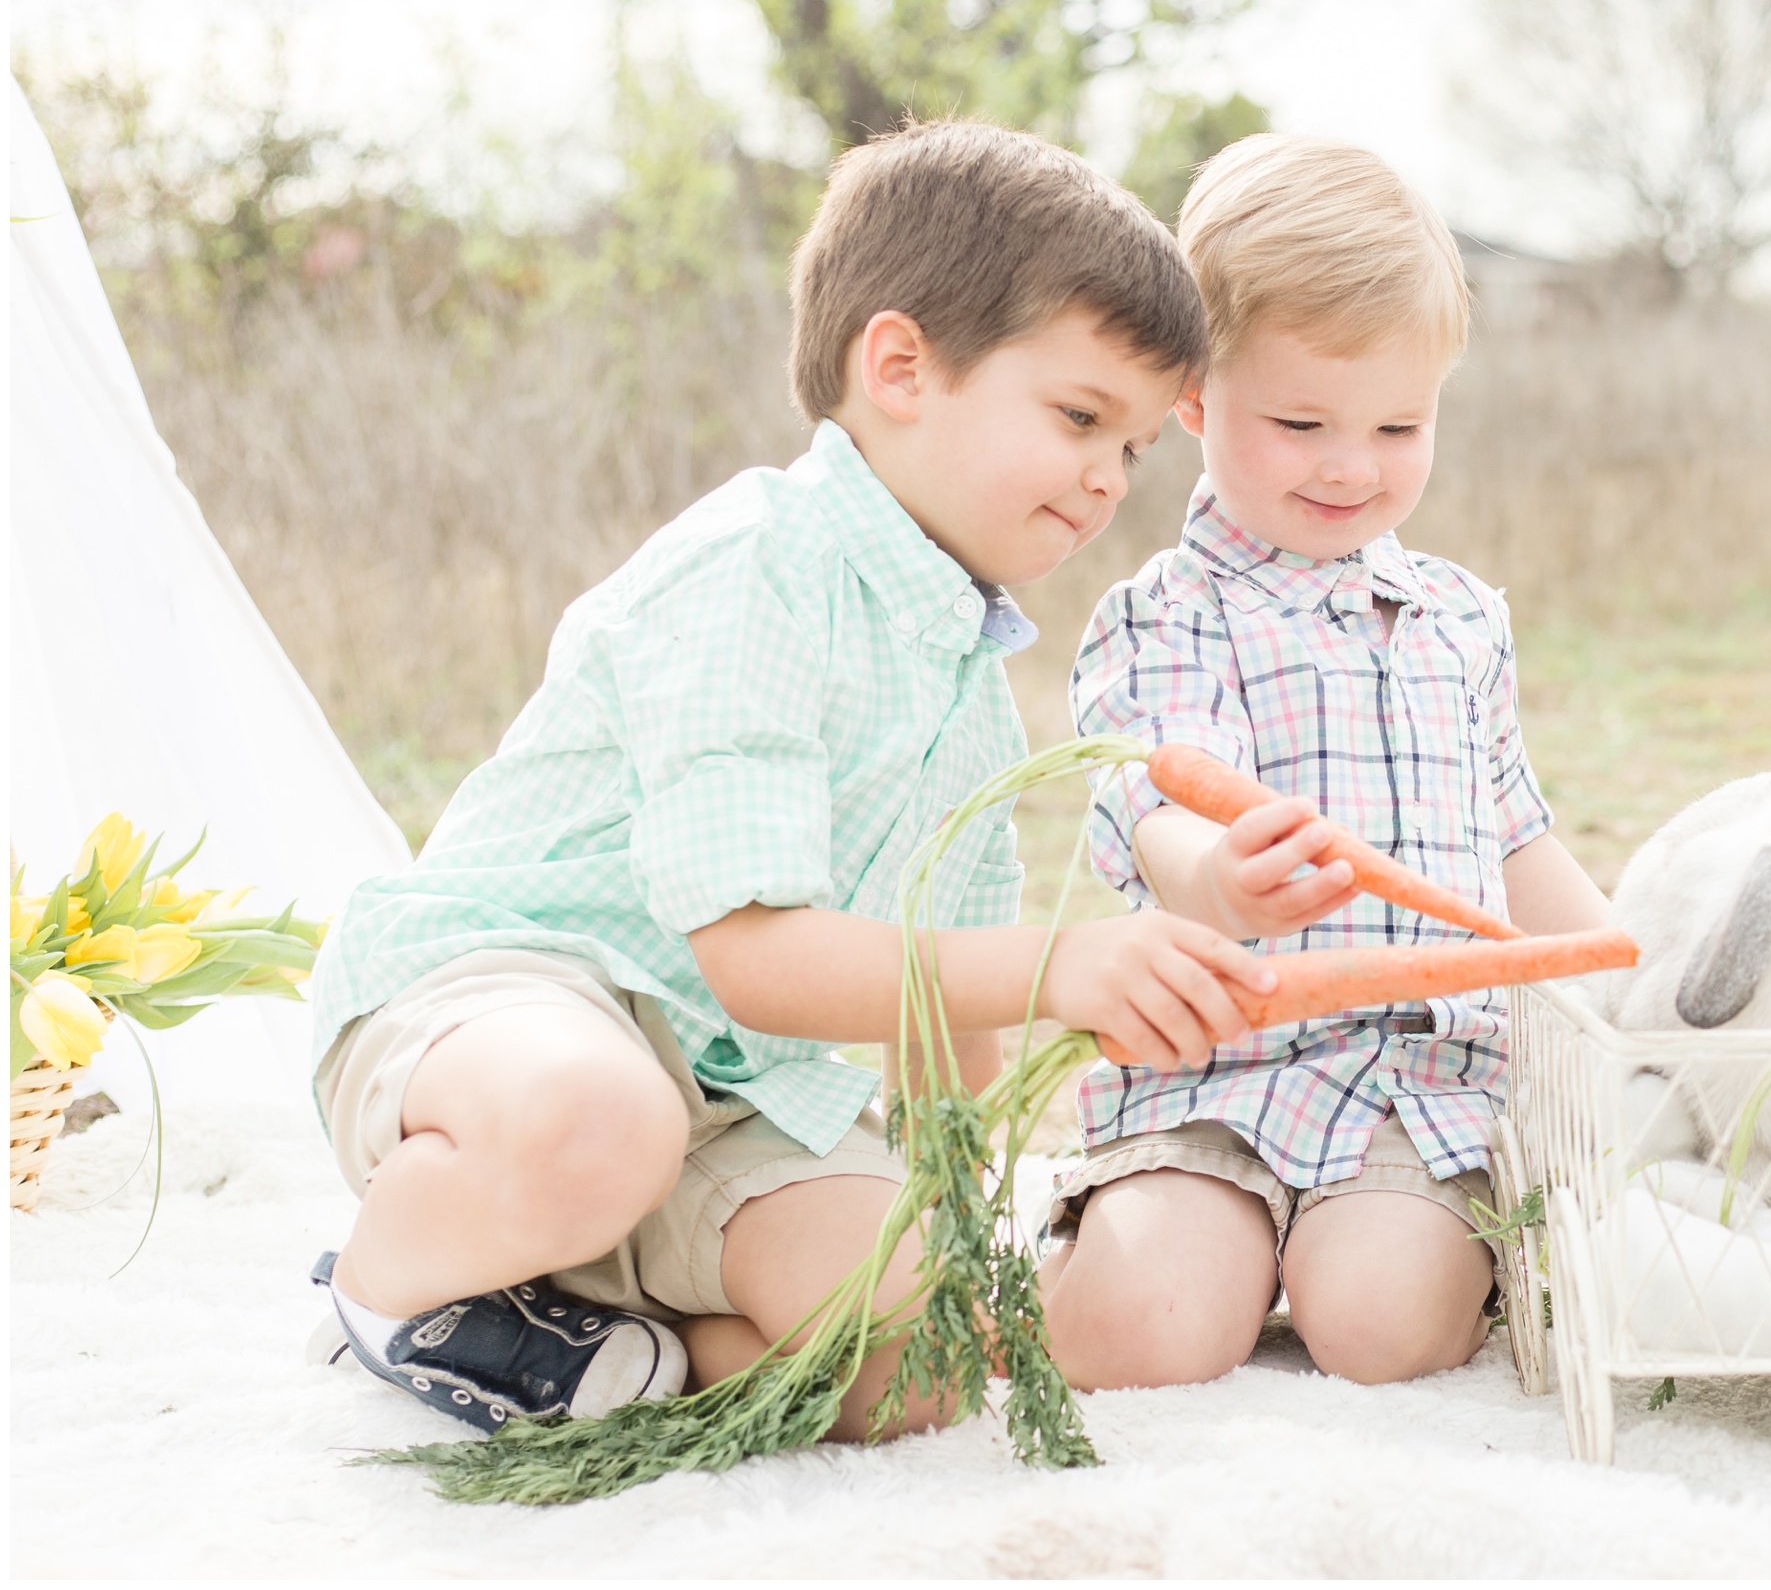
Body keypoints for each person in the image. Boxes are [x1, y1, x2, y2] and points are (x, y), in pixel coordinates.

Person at [303, 121, 1268, 1438]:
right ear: (899, 366)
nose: (1107, 477)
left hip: (728, 1102)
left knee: (926, 1359)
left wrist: (954, 1189)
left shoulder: (965, 677)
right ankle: (392, 1286)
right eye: (1079, 417)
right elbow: (757, 956)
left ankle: (615, 1344)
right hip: (517, 1013)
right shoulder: (756, 566)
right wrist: (1063, 970)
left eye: (1134, 449)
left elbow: (944, 993)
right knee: (598, 1116)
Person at [1039, 135, 1613, 1389]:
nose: (1352, 465)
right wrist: (1217, 875)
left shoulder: (1460, 618)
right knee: (1147, 1333)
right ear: (1194, 401)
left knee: (1382, 1329)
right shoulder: (1170, 615)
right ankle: (1089, 1258)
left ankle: (1415, 1255)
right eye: (1300, 422)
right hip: (1213, 1064)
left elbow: (1516, 843)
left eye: (1398, 424)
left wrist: (1626, 982)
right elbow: (1156, 799)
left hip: (1419, 1073)